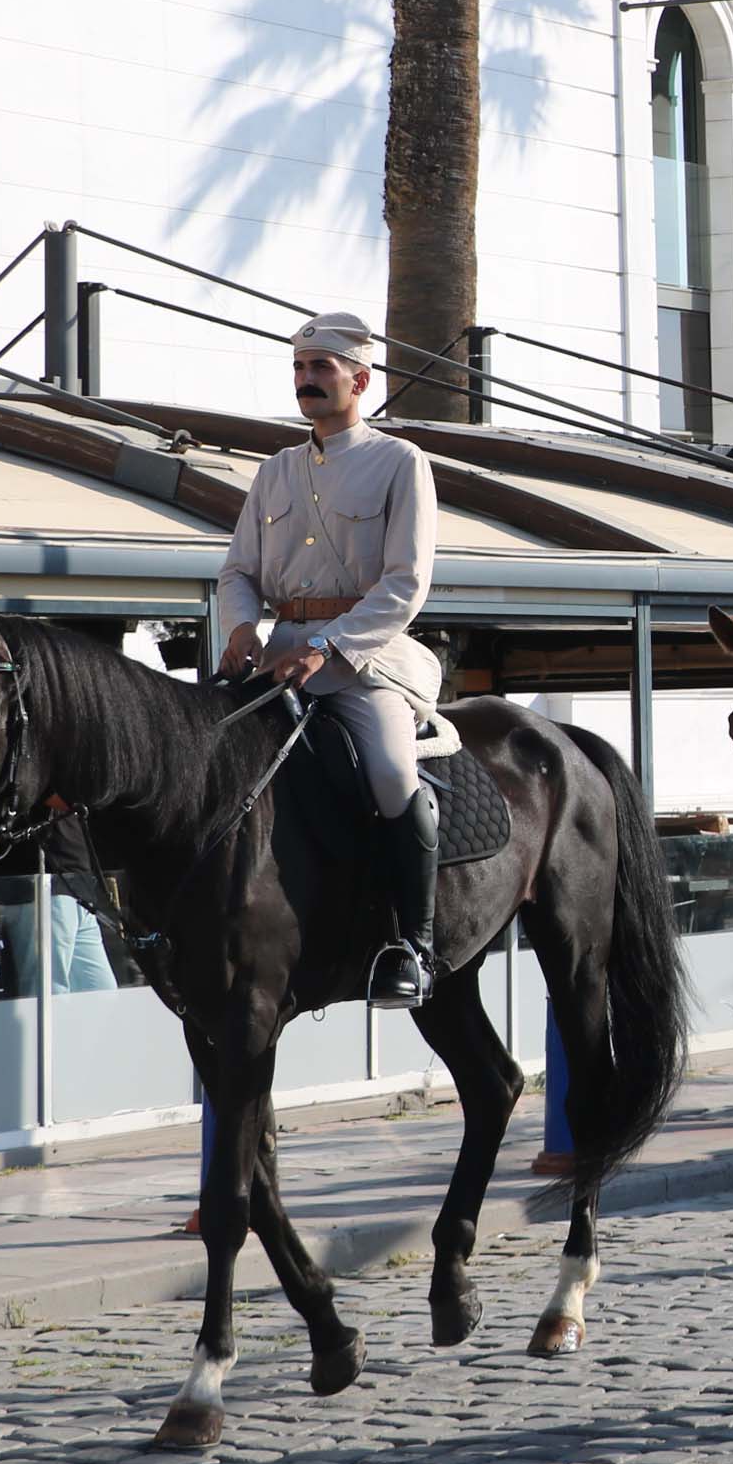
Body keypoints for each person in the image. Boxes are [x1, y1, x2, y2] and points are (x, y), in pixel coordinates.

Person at [218, 312, 445, 1010]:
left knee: (388, 771)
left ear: (361, 380)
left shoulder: (399, 462)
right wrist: (237, 629)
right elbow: (237, 573)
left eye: (322, 368)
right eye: (299, 368)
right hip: (276, 655)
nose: (307, 380)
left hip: (366, 660)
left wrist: (330, 647)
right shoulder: (275, 471)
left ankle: (414, 941)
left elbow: (406, 583)